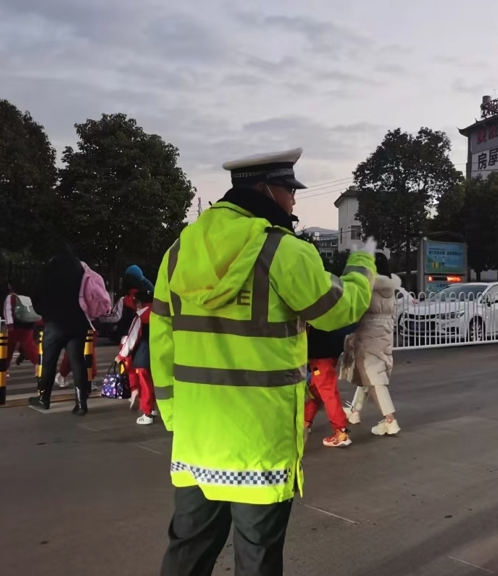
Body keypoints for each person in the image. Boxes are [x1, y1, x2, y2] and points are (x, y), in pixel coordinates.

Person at [152, 147, 377, 576]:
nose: (294, 201)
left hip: (197, 437)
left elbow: (162, 341)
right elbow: (338, 310)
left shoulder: (178, 253)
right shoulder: (282, 251)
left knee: (188, 550)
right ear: (268, 189)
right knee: (256, 555)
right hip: (259, 441)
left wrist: (175, 417)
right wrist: (362, 263)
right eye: (289, 191)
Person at [344, 253, 402, 436]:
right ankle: (354, 411)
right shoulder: (391, 287)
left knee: (375, 377)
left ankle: (390, 420)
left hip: (368, 332)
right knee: (369, 373)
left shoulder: (368, 286)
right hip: (386, 332)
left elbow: (359, 307)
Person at [29, 250, 92, 414]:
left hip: (55, 323)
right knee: (77, 361)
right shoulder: (80, 270)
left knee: (49, 361)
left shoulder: (48, 271)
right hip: (78, 322)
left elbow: (35, 294)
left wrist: (46, 313)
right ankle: (81, 403)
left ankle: (44, 398)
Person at [305, 323, 358, 447]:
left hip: (318, 351)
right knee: (317, 387)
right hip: (330, 349)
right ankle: (305, 420)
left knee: (327, 390)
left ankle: (341, 431)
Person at [116, 288, 155, 425]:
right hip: (160, 353)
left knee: (145, 384)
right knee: (157, 382)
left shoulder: (140, 316)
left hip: (143, 355)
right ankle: (155, 407)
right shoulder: (160, 313)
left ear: (138, 302)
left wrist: (121, 355)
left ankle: (147, 412)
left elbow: (132, 338)